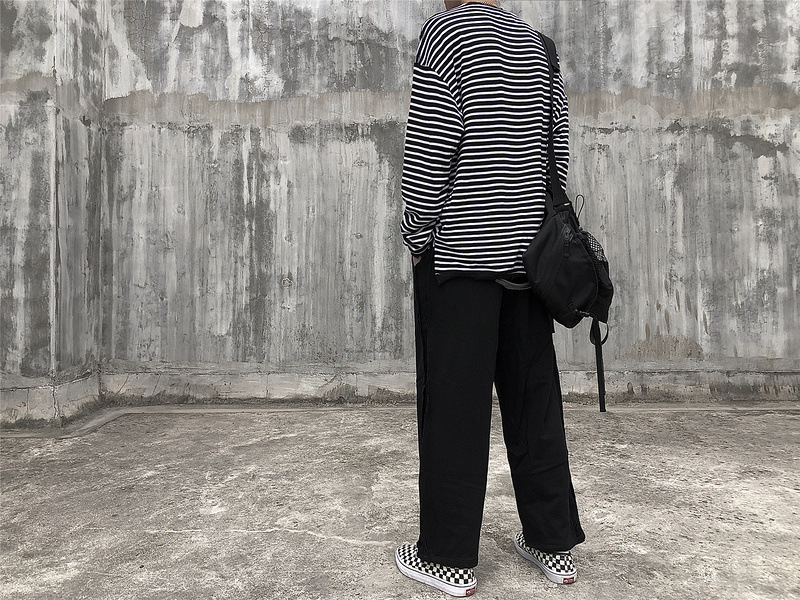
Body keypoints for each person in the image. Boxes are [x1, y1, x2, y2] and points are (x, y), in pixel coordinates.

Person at [394, 0, 585, 596]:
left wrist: (417, 236)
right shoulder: (539, 46)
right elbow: (557, 159)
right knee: (533, 404)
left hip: (462, 262)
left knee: (455, 409)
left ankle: (447, 559)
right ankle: (552, 544)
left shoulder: (446, 35)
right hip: (530, 266)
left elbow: (429, 157)